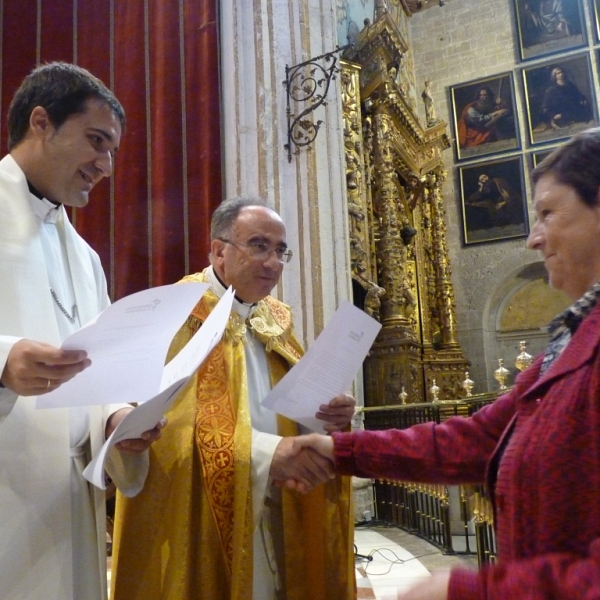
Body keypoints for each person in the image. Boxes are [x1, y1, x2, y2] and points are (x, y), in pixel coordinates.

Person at [292, 127, 600, 598]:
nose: (533, 240)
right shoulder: (568, 343)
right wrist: (342, 451)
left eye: (547, 214)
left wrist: (468, 592)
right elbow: (473, 440)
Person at [111, 197, 357, 600]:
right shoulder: (174, 312)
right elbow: (166, 432)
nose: (273, 262)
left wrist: (327, 415)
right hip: (202, 517)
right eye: (259, 245)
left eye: (280, 250)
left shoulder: (274, 319)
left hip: (277, 505)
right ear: (219, 251)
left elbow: (289, 403)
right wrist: (264, 455)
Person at [0, 62, 165, 600]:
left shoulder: (86, 257)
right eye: (96, 141)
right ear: (42, 122)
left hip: (68, 505)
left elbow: (101, 371)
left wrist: (119, 417)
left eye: (113, 149)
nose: (106, 165)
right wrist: (3, 363)